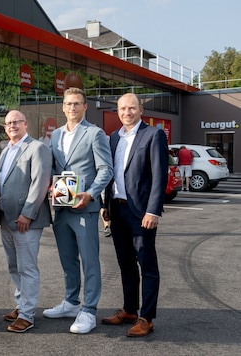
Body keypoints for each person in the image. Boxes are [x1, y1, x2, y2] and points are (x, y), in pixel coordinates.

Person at [44, 87, 113, 334]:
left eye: (77, 104)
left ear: (85, 106)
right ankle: (71, 302)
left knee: (90, 260)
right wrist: (51, 184)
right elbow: (53, 167)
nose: (72, 108)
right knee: (67, 259)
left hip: (85, 207)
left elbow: (106, 170)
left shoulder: (95, 134)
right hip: (62, 207)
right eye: (68, 104)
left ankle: (89, 310)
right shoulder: (55, 136)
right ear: (63, 107)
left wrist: (91, 194)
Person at [101, 93, 167, 337]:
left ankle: (146, 317)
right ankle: (129, 310)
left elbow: (159, 174)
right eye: (122, 108)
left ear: (140, 109)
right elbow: (111, 173)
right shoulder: (114, 137)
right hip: (116, 209)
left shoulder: (153, 135)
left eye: (131, 108)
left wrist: (153, 210)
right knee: (125, 262)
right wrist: (104, 204)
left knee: (147, 265)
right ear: (117, 111)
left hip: (141, 212)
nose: (126, 112)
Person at [0, 110, 52, 333]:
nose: (11, 126)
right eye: (8, 123)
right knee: (14, 265)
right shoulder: (5, 149)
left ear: (25, 123)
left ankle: (27, 315)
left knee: (27, 267)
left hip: (25, 220)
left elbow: (40, 183)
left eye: (16, 122)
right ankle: (21, 304)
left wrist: (27, 214)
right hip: (7, 218)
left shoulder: (37, 148)